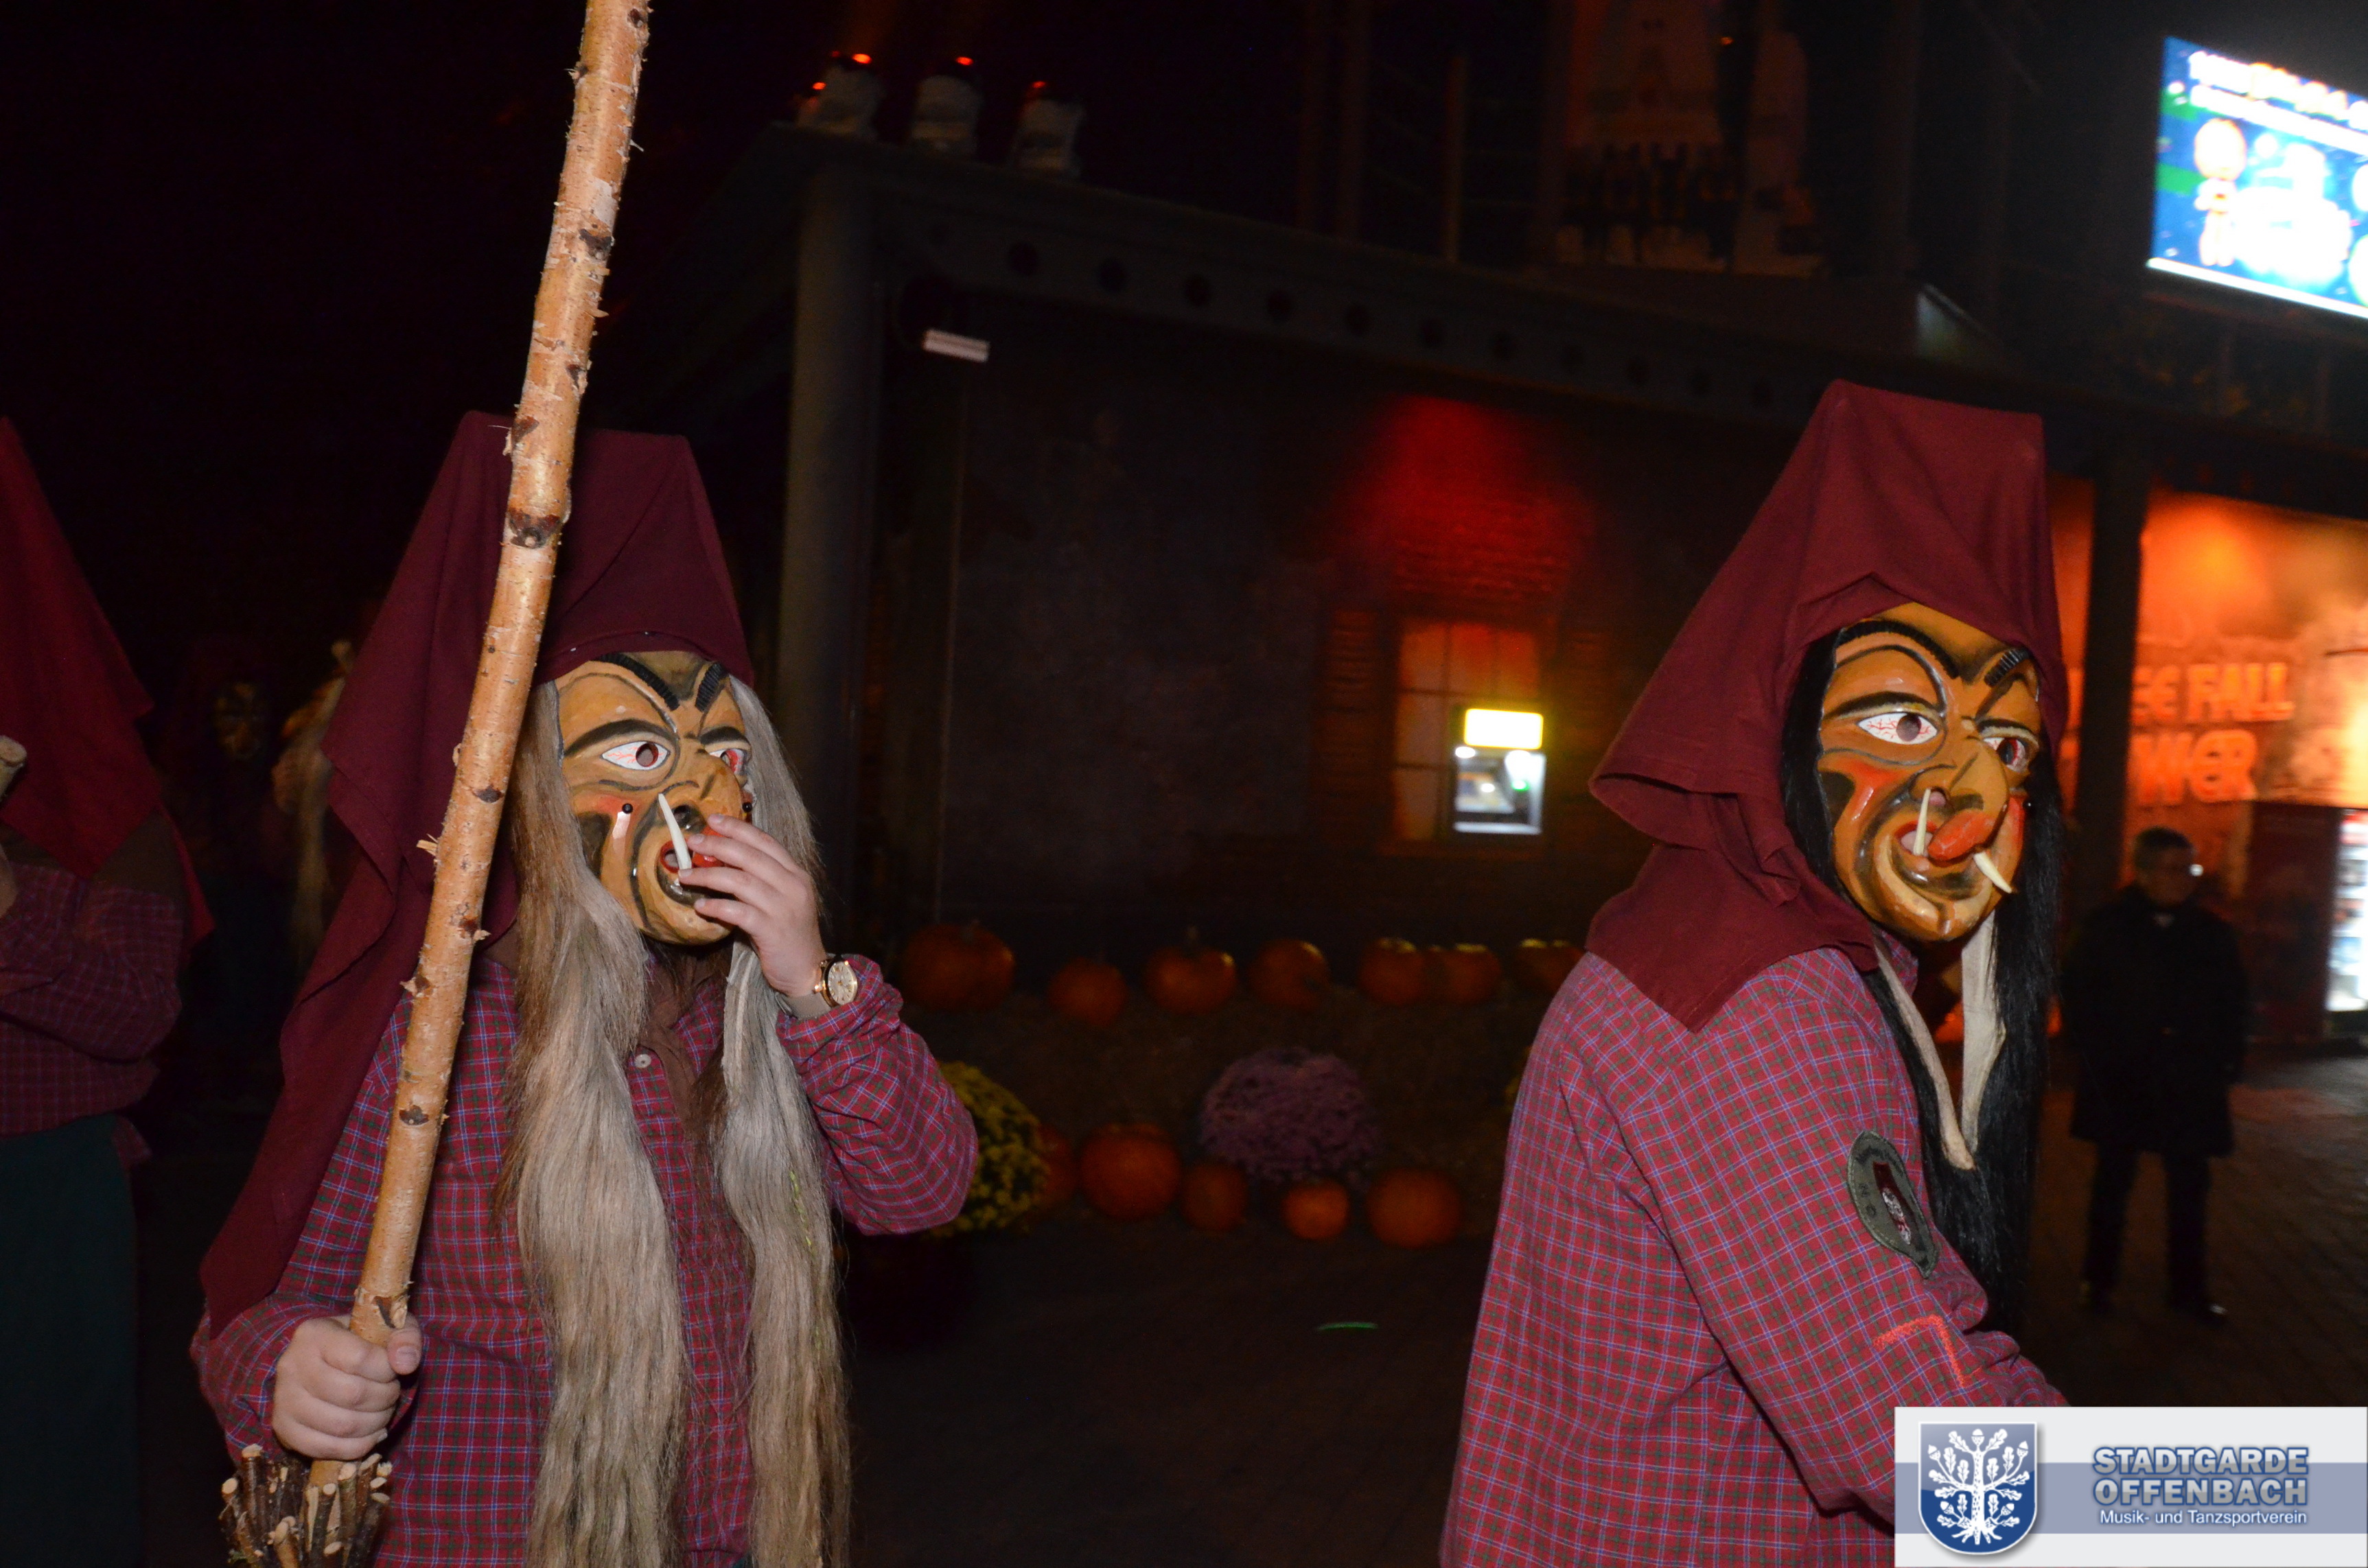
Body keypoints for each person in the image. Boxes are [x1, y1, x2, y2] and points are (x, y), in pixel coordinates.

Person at [195, 414, 977, 1568]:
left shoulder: (760, 1019)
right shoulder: (440, 1040)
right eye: (644, 757)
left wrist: (814, 987)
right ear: (535, 803)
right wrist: (293, 1374)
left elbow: (920, 1193)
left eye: (727, 756)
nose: (702, 797)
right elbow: (259, 1310)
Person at [1446, 384, 2066, 1565]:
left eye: (2008, 744)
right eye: (1901, 725)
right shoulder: (1761, 1000)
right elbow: (1916, 1444)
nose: (1971, 803)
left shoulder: (1760, 938)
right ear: (1775, 720)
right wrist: (2292, 1500)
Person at [1, 417, 206, 1567]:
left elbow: (137, 1012)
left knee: (44, 1499)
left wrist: (5, 907)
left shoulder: (94, 800)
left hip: (35, 1198)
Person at [2061, 826, 2247, 1324]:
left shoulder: (2211, 932)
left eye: (2189, 869)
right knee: (2112, 1183)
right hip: (2125, 1077)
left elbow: (2233, 1001)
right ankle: (2097, 1283)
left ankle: (2188, 1290)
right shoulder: (2106, 928)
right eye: (2172, 869)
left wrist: (2225, 1059)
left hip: (2189, 1080)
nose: (2183, 879)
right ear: (2142, 872)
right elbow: (2078, 995)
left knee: (2189, 1189)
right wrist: (2100, 1053)